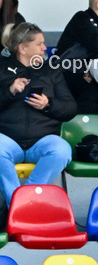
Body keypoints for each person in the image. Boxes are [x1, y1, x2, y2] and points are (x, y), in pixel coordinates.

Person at [0, 23, 75, 205]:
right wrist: (9, 91)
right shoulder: (2, 68)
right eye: (39, 44)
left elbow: (70, 108)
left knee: (62, 149)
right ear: (22, 48)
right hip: (9, 139)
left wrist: (48, 105)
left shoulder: (51, 70)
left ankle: (28, 201)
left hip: (42, 140)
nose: (44, 48)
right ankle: (17, 206)